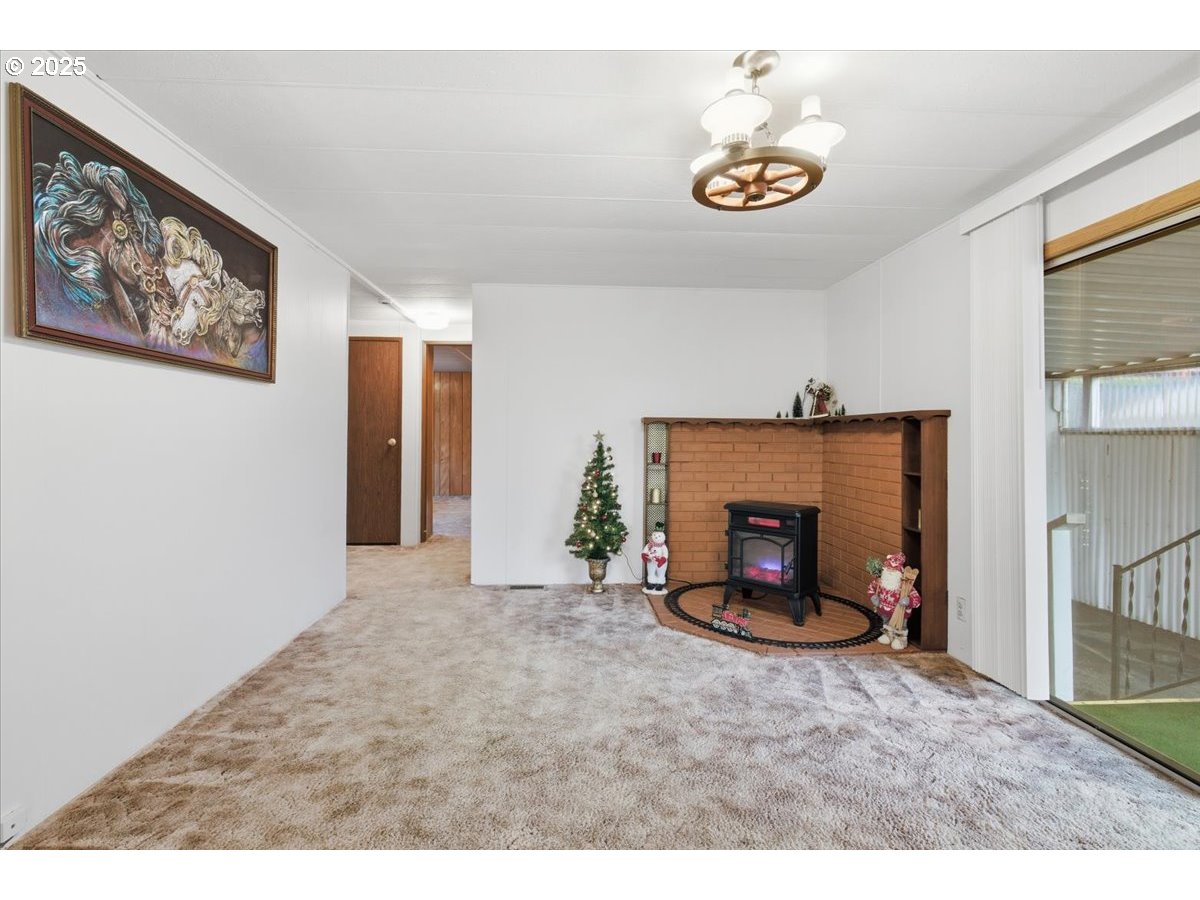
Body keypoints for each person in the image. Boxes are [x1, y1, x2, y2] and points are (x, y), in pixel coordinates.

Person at [641, 527, 669, 595]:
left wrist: (663, 559)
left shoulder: (663, 546)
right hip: (651, 561)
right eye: (655, 535)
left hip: (661, 562)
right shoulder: (650, 544)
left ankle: (660, 584)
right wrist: (644, 555)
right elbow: (645, 551)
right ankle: (651, 583)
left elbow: (665, 554)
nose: (656, 537)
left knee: (661, 573)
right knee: (651, 572)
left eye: (659, 536)